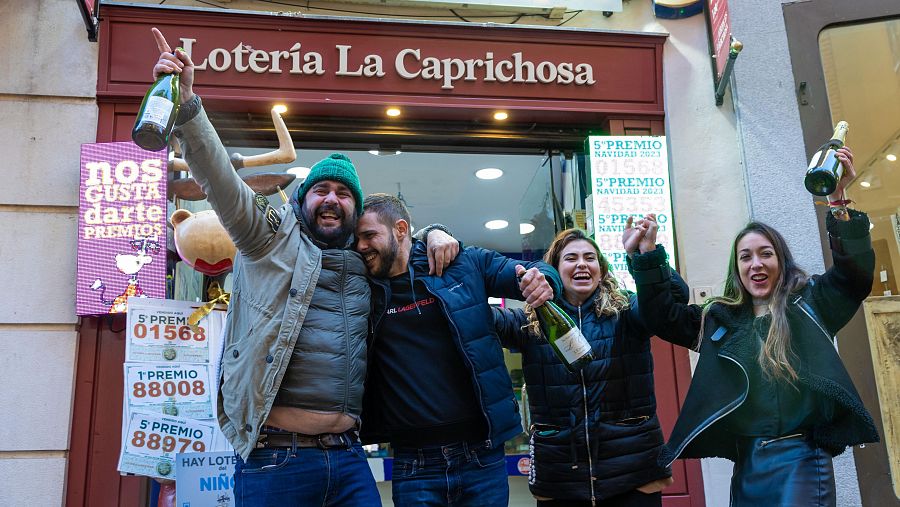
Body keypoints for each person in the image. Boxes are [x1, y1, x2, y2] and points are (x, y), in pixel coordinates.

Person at [151, 29, 457, 506]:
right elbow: (221, 180)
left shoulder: (365, 264)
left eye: (343, 194)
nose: (332, 199)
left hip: (351, 458)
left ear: (356, 212)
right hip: (277, 460)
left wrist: (434, 229)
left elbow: (404, 244)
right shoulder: (265, 238)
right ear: (302, 200)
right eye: (321, 190)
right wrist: (188, 107)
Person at [629, 147, 879, 506]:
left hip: (803, 460)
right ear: (737, 268)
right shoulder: (721, 319)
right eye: (745, 256)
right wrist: (647, 256)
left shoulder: (812, 303)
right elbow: (662, 317)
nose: (756, 263)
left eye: (765, 253)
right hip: (748, 463)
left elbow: (854, 277)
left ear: (781, 260)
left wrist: (838, 202)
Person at [354, 193, 561, 507]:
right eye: (356, 238)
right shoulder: (360, 287)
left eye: (369, 236)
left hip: (481, 456)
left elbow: (535, 271)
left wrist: (544, 281)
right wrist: (433, 229)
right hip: (414, 464)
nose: (361, 246)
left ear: (400, 229)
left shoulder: (463, 262)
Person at [491, 227, 691, 507]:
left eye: (590, 257)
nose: (582, 264)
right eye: (571, 258)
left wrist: (643, 255)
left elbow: (673, 299)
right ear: (555, 271)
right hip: (560, 479)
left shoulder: (627, 310)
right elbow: (477, 317)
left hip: (633, 475)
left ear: (601, 268)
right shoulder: (530, 321)